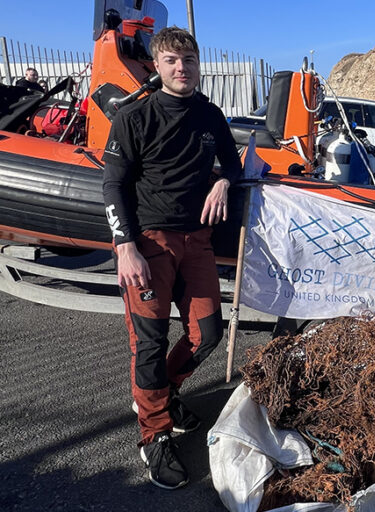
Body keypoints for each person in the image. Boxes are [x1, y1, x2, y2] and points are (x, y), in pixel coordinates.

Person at [102, 26, 242, 490]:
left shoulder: (210, 114)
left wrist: (223, 179)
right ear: (157, 66)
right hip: (149, 243)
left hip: (196, 239)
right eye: (171, 61)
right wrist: (126, 247)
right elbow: (113, 185)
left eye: (189, 60)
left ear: (199, 65)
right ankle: (154, 434)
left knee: (207, 334)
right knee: (150, 342)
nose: (182, 68)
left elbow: (235, 162)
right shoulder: (134, 116)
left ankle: (160, 394)